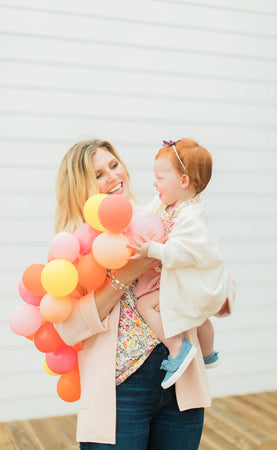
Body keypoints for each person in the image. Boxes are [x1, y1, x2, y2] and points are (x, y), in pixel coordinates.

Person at [53, 139, 235, 449]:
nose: (113, 176)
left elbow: (213, 270)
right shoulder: (72, 246)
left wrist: (207, 294)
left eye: (114, 165)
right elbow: (69, 329)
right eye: (98, 174)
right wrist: (126, 276)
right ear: (79, 184)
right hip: (121, 390)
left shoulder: (159, 215)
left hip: (179, 378)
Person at [130, 138, 230, 390]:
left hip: (195, 281)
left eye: (160, 178)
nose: (155, 183)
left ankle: (178, 348)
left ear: (183, 181)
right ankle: (208, 354)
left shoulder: (192, 216)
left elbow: (182, 251)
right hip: (187, 282)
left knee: (145, 304)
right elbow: (145, 215)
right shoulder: (166, 202)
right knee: (199, 317)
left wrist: (151, 249)